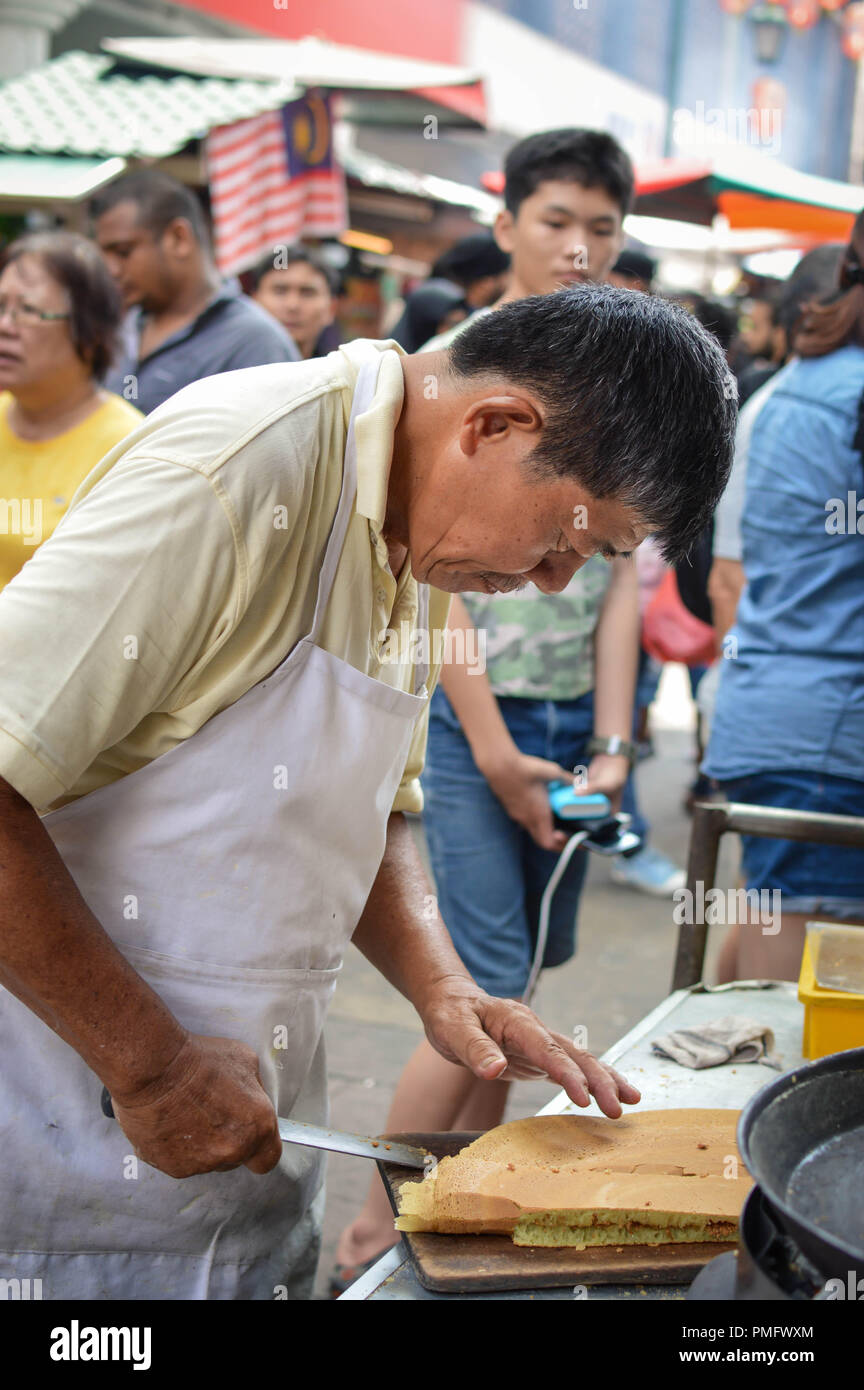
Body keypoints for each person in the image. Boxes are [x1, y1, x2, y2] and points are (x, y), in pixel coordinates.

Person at [0, 285, 735, 1302]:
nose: (557, 582)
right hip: (53, 1180)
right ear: (495, 424)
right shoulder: (239, 469)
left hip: (241, 1164)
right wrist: (151, 1064)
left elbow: (370, 805)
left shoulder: (423, 517)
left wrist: (448, 990)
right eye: (565, 542)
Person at [332, 129, 706, 1287]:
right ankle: (375, 1226)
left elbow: (619, 592)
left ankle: (448, 1213)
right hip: (455, 727)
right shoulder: (450, 373)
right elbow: (433, 583)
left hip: (563, 737)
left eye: (602, 227)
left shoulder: (628, 389)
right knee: (486, 970)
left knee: (518, 985)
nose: (580, 248)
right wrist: (489, 748)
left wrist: (610, 745)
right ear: (506, 226)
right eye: (557, 221)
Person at [704, 212, 864, 983]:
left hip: (790, 724)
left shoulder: (805, 386)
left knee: (768, 1013)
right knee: (802, 1041)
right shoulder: (840, 393)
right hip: (829, 742)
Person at [0, 231, 142, 590]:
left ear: (91, 333)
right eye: (1, 307)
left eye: (28, 311)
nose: (5, 326)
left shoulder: (128, 450)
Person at [92, 170, 299, 414]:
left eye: (123, 252)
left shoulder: (255, 343)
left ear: (179, 238)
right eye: (104, 256)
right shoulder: (122, 328)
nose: (112, 270)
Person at [247, 246, 340, 359]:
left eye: (307, 293)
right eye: (280, 291)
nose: (292, 305)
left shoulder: (346, 375)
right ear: (254, 301)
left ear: (331, 309)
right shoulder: (226, 369)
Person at [431, 232, 511, 309]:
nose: (508, 282)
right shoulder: (451, 309)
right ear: (485, 284)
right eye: (506, 273)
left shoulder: (438, 291)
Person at [388, 279, 469, 353]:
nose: (459, 331)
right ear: (427, 324)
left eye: (463, 323)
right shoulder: (387, 363)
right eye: (453, 324)